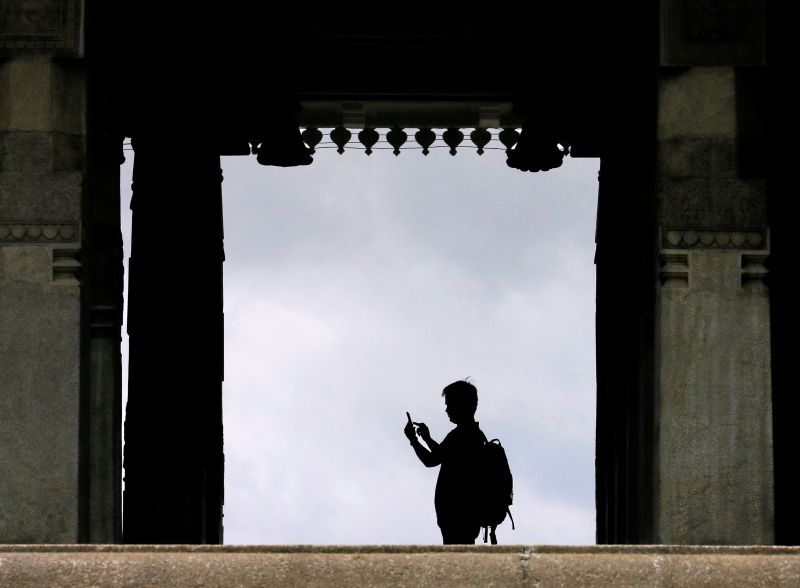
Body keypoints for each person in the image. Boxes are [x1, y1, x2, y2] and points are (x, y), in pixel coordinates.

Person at [404, 380, 486, 544]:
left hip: (458, 518)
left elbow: (431, 460)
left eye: (450, 404)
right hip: (464, 519)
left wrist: (414, 440)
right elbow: (443, 455)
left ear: (462, 404)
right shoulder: (471, 433)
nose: (447, 409)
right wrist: (426, 438)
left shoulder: (463, 434)